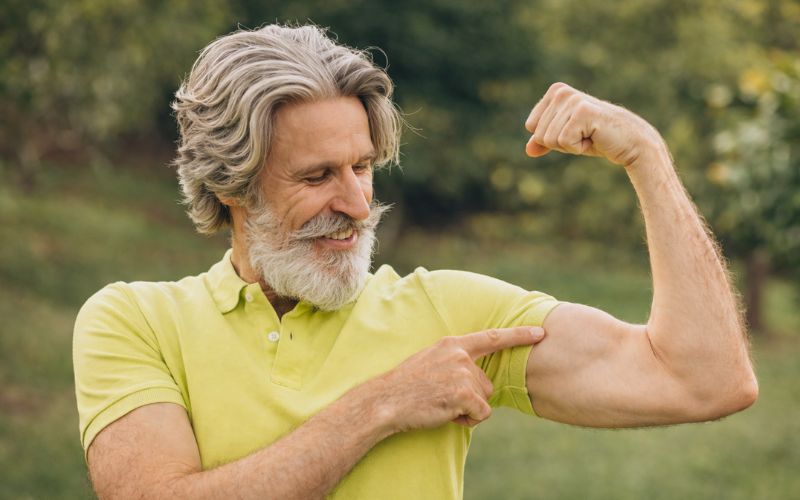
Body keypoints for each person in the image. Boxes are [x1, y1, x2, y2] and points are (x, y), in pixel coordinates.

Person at [73, 24, 758, 500]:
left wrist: (647, 156)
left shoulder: (450, 316)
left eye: (364, 166)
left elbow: (704, 381)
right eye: (317, 177)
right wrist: (383, 405)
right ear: (230, 189)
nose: (356, 201)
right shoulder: (134, 321)